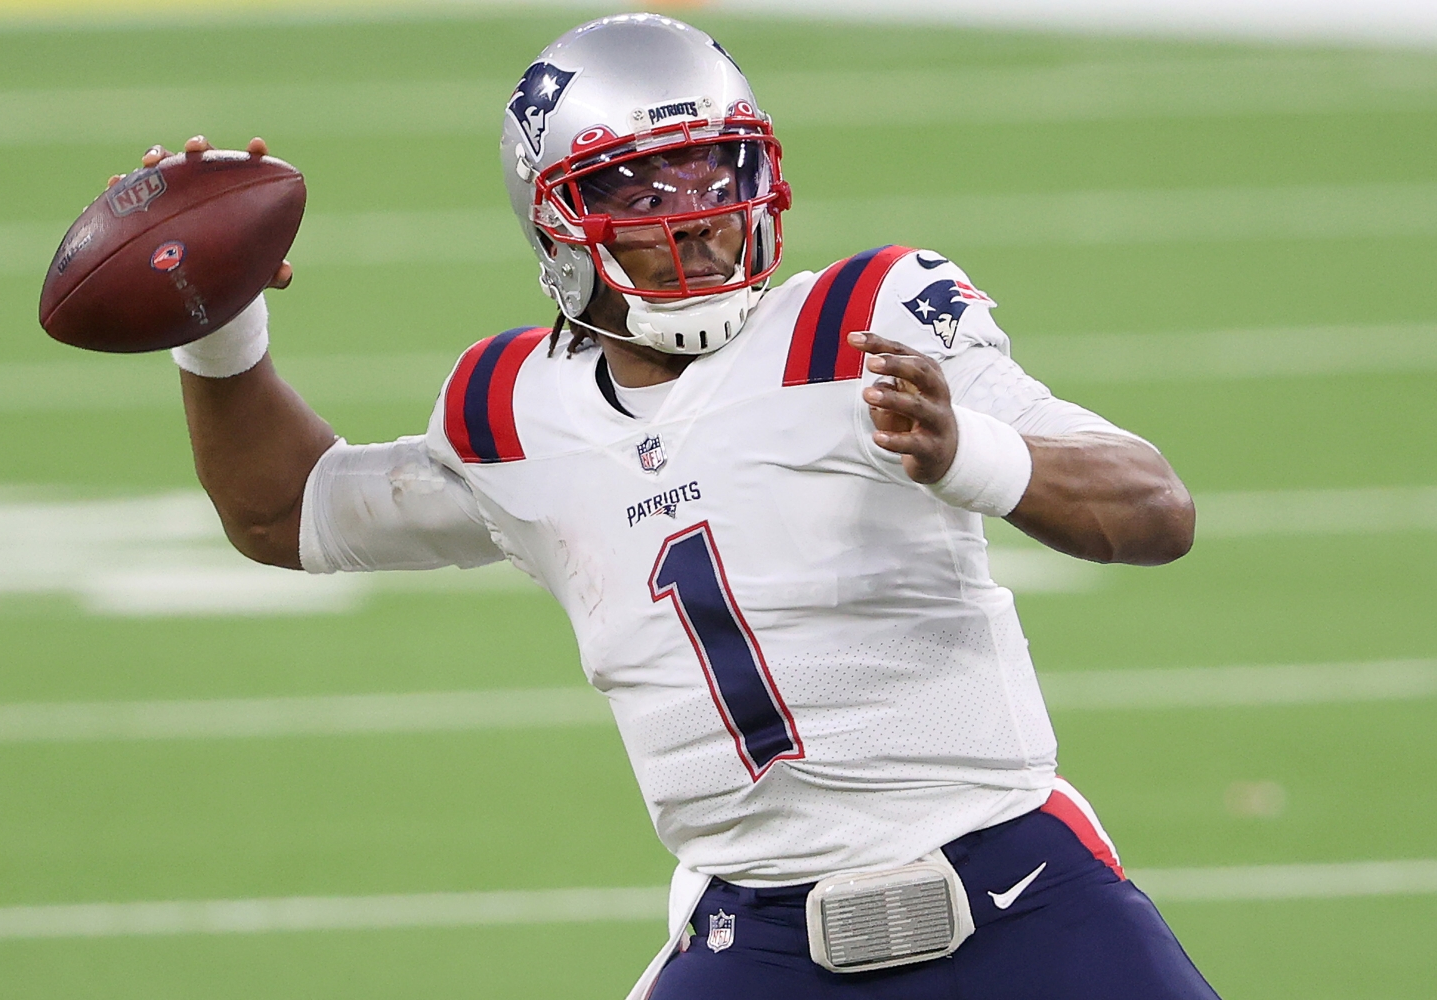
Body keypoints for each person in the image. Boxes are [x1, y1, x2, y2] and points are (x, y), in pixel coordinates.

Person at [135, 13, 1214, 999]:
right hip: (758, 942)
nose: (698, 218)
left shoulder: (867, 321)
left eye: (716, 173)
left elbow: (1156, 508)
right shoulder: (511, 412)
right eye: (644, 193)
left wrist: (967, 451)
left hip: (1018, 897)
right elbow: (285, 511)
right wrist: (214, 318)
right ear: (558, 222)